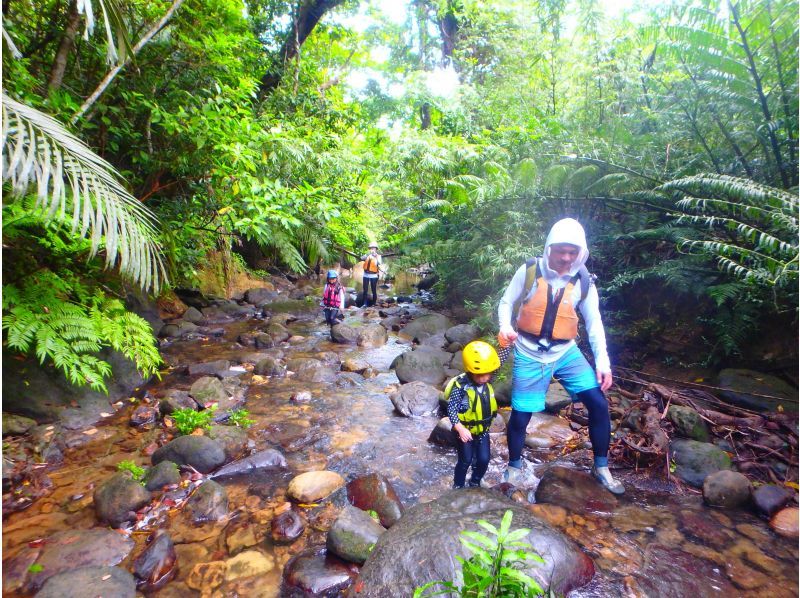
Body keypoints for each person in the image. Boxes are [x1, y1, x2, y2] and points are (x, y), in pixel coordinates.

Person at [497, 218, 624, 494]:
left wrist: (603, 363)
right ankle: (515, 466)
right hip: (529, 351)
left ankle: (601, 467)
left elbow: (594, 324)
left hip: (566, 352)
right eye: (561, 251)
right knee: (521, 416)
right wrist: (505, 327)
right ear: (549, 248)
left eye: (572, 252)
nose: (566, 258)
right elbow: (507, 302)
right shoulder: (530, 270)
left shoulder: (584, 281)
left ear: (581, 252)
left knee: (598, 405)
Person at [445, 340, 511, 489]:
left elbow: (498, 361)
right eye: (479, 375)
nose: (484, 378)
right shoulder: (461, 387)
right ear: (470, 371)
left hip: (482, 430)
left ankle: (475, 482)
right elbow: (452, 408)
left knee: (483, 459)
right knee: (465, 460)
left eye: (487, 374)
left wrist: (507, 345)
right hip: (465, 430)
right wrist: (460, 428)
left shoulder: (488, 377)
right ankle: (458, 486)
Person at [360, 242, 383, 307]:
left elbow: (379, 263)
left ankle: (374, 303)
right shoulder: (367, 255)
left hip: (374, 275)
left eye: (373, 248)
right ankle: (364, 304)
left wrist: (375, 256)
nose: (372, 249)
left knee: (373, 289)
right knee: (365, 290)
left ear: (376, 249)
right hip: (366, 274)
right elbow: (361, 258)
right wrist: (367, 255)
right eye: (371, 248)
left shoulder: (378, 256)